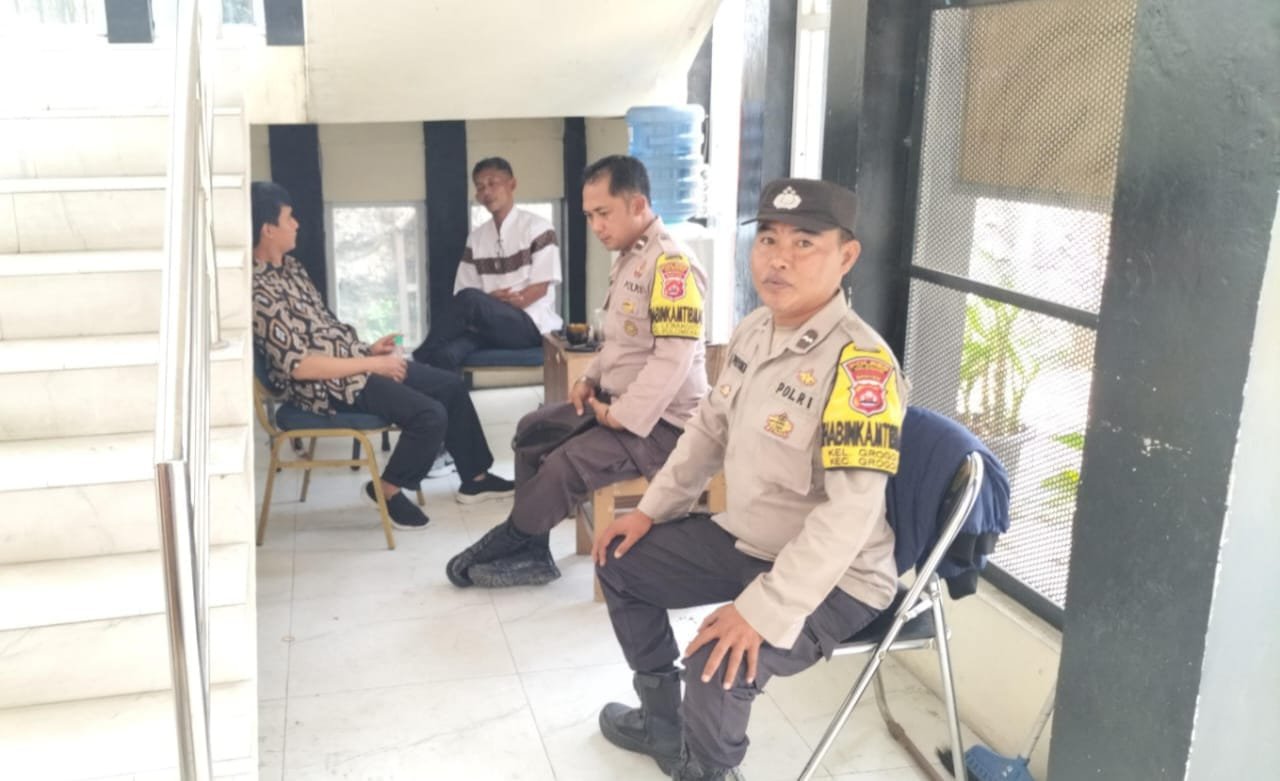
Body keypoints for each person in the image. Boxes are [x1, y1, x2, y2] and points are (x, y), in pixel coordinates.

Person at [591, 179, 908, 780]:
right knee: (619, 559)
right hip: (749, 540)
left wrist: (763, 610)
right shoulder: (755, 329)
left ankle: (708, 770)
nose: (778, 258)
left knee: (717, 663)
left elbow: (850, 515)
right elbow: (708, 429)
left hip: (839, 576)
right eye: (767, 239)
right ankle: (663, 723)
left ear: (846, 256)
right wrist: (651, 511)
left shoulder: (861, 367)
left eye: (804, 243)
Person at [444, 155, 710, 588]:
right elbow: (618, 341)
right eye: (589, 216)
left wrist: (620, 416)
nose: (596, 226)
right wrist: (588, 379)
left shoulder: (671, 265)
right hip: (618, 405)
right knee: (533, 431)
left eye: (603, 213)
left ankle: (514, 537)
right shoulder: (630, 257)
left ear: (638, 204)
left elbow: (672, 360)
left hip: (664, 425)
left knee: (563, 464)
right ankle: (532, 546)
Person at [250, 181, 514, 529]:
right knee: (430, 415)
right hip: (324, 386)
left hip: (353, 365)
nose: (296, 224)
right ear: (268, 229)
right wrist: (374, 364)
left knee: (450, 387)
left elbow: (326, 331)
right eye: (289, 218)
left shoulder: (293, 269)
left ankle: (476, 478)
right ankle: (386, 490)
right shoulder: (257, 291)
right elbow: (300, 366)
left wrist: (368, 350)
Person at [413, 157, 563, 371]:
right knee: (446, 355)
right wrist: (490, 303)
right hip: (488, 327)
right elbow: (463, 292)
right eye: (480, 187)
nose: (486, 192)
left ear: (512, 184)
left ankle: (416, 361)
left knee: (470, 301)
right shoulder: (477, 238)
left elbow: (539, 288)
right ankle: (443, 391)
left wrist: (494, 304)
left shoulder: (538, 228)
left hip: (531, 325)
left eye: (493, 183)